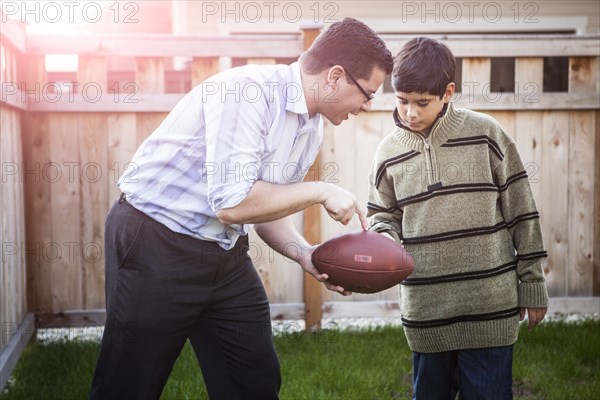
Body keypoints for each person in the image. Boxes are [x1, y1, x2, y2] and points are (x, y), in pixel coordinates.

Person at [89, 17, 393, 400]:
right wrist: (320, 189)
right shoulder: (248, 92)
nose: (367, 106)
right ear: (335, 76)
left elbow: (262, 205)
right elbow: (232, 203)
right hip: (155, 241)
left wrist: (305, 253)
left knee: (253, 383)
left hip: (225, 255)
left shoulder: (311, 126)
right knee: (129, 384)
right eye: (367, 93)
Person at [367, 37, 548, 399]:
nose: (410, 113)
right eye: (402, 101)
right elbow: (381, 216)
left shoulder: (486, 134)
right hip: (426, 311)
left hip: (489, 307)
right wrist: (385, 241)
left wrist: (532, 282)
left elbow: (522, 211)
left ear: (448, 92)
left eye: (422, 103)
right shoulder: (387, 154)